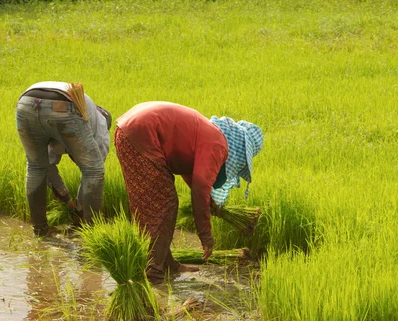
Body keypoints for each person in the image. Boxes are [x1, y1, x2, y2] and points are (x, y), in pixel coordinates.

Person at [114, 102, 264, 285]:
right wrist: (205, 236)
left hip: (131, 130)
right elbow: (200, 186)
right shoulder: (217, 145)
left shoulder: (209, 136)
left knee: (157, 205)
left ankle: (167, 264)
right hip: (142, 133)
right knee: (163, 205)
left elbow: (189, 172)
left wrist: (208, 202)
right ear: (240, 149)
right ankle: (154, 274)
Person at [15, 81, 111, 236]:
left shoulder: (88, 112)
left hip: (25, 103)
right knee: (94, 170)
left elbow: (48, 166)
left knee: (35, 167)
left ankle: (40, 230)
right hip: (63, 106)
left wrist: (65, 196)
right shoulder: (100, 126)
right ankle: (92, 234)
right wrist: (78, 207)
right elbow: (93, 172)